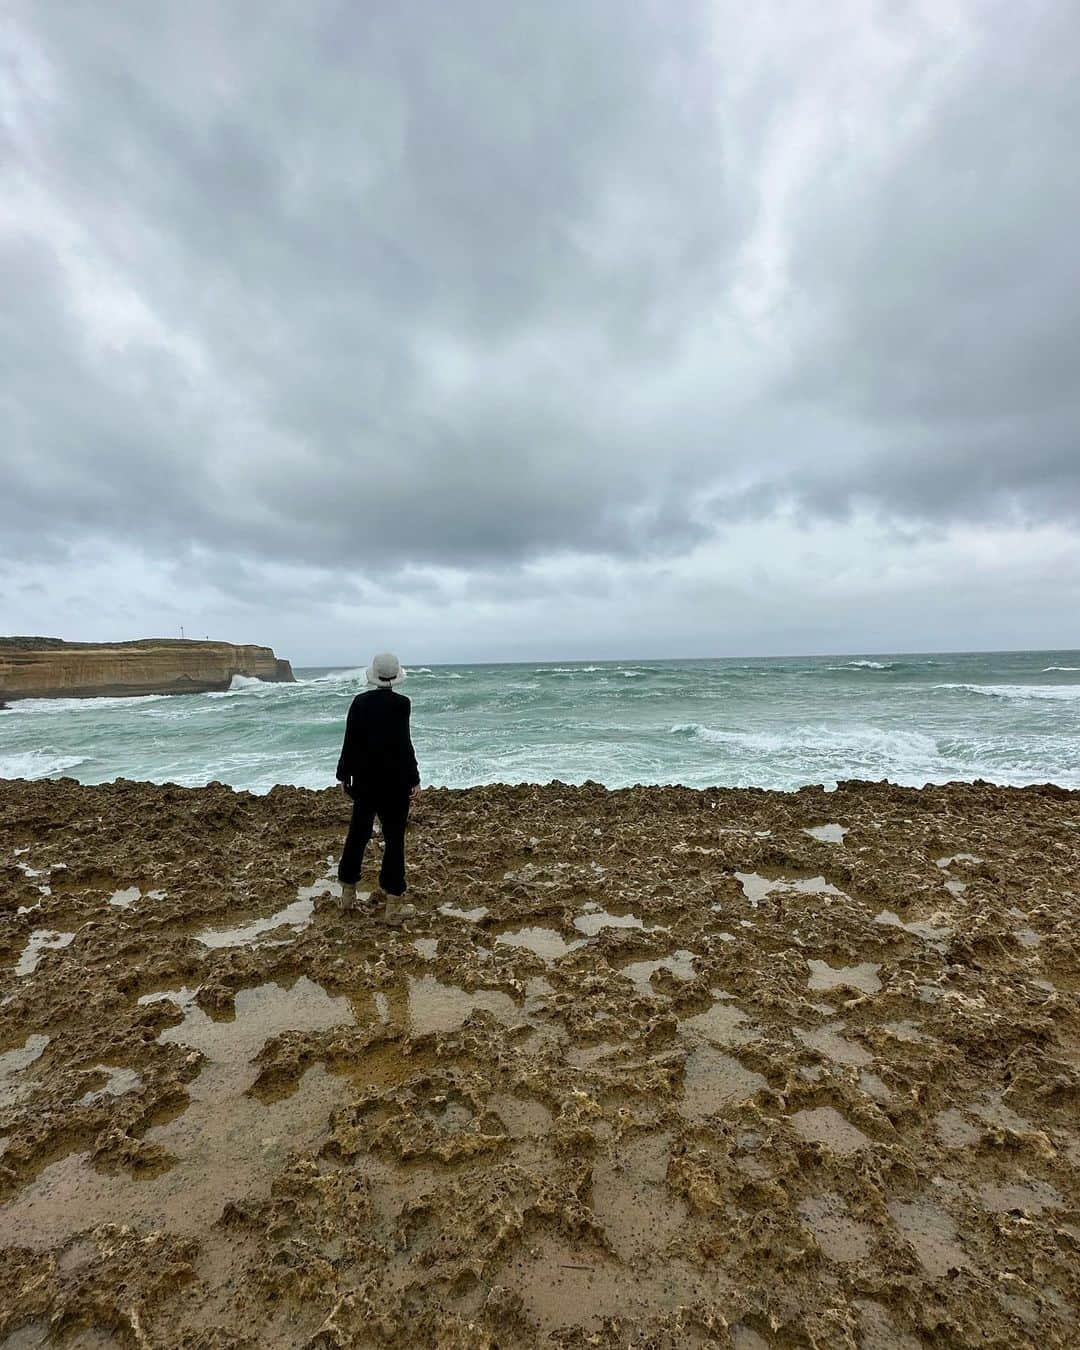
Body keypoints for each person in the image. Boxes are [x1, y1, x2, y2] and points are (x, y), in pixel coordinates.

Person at [335, 651, 421, 925]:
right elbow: (404, 745)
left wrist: (343, 776)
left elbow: (350, 742)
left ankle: (347, 897)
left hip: (365, 782)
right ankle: (392, 908)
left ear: (373, 674)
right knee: (394, 841)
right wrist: (414, 778)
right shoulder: (402, 704)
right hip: (395, 784)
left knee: (357, 835)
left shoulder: (359, 703)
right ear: (395, 676)